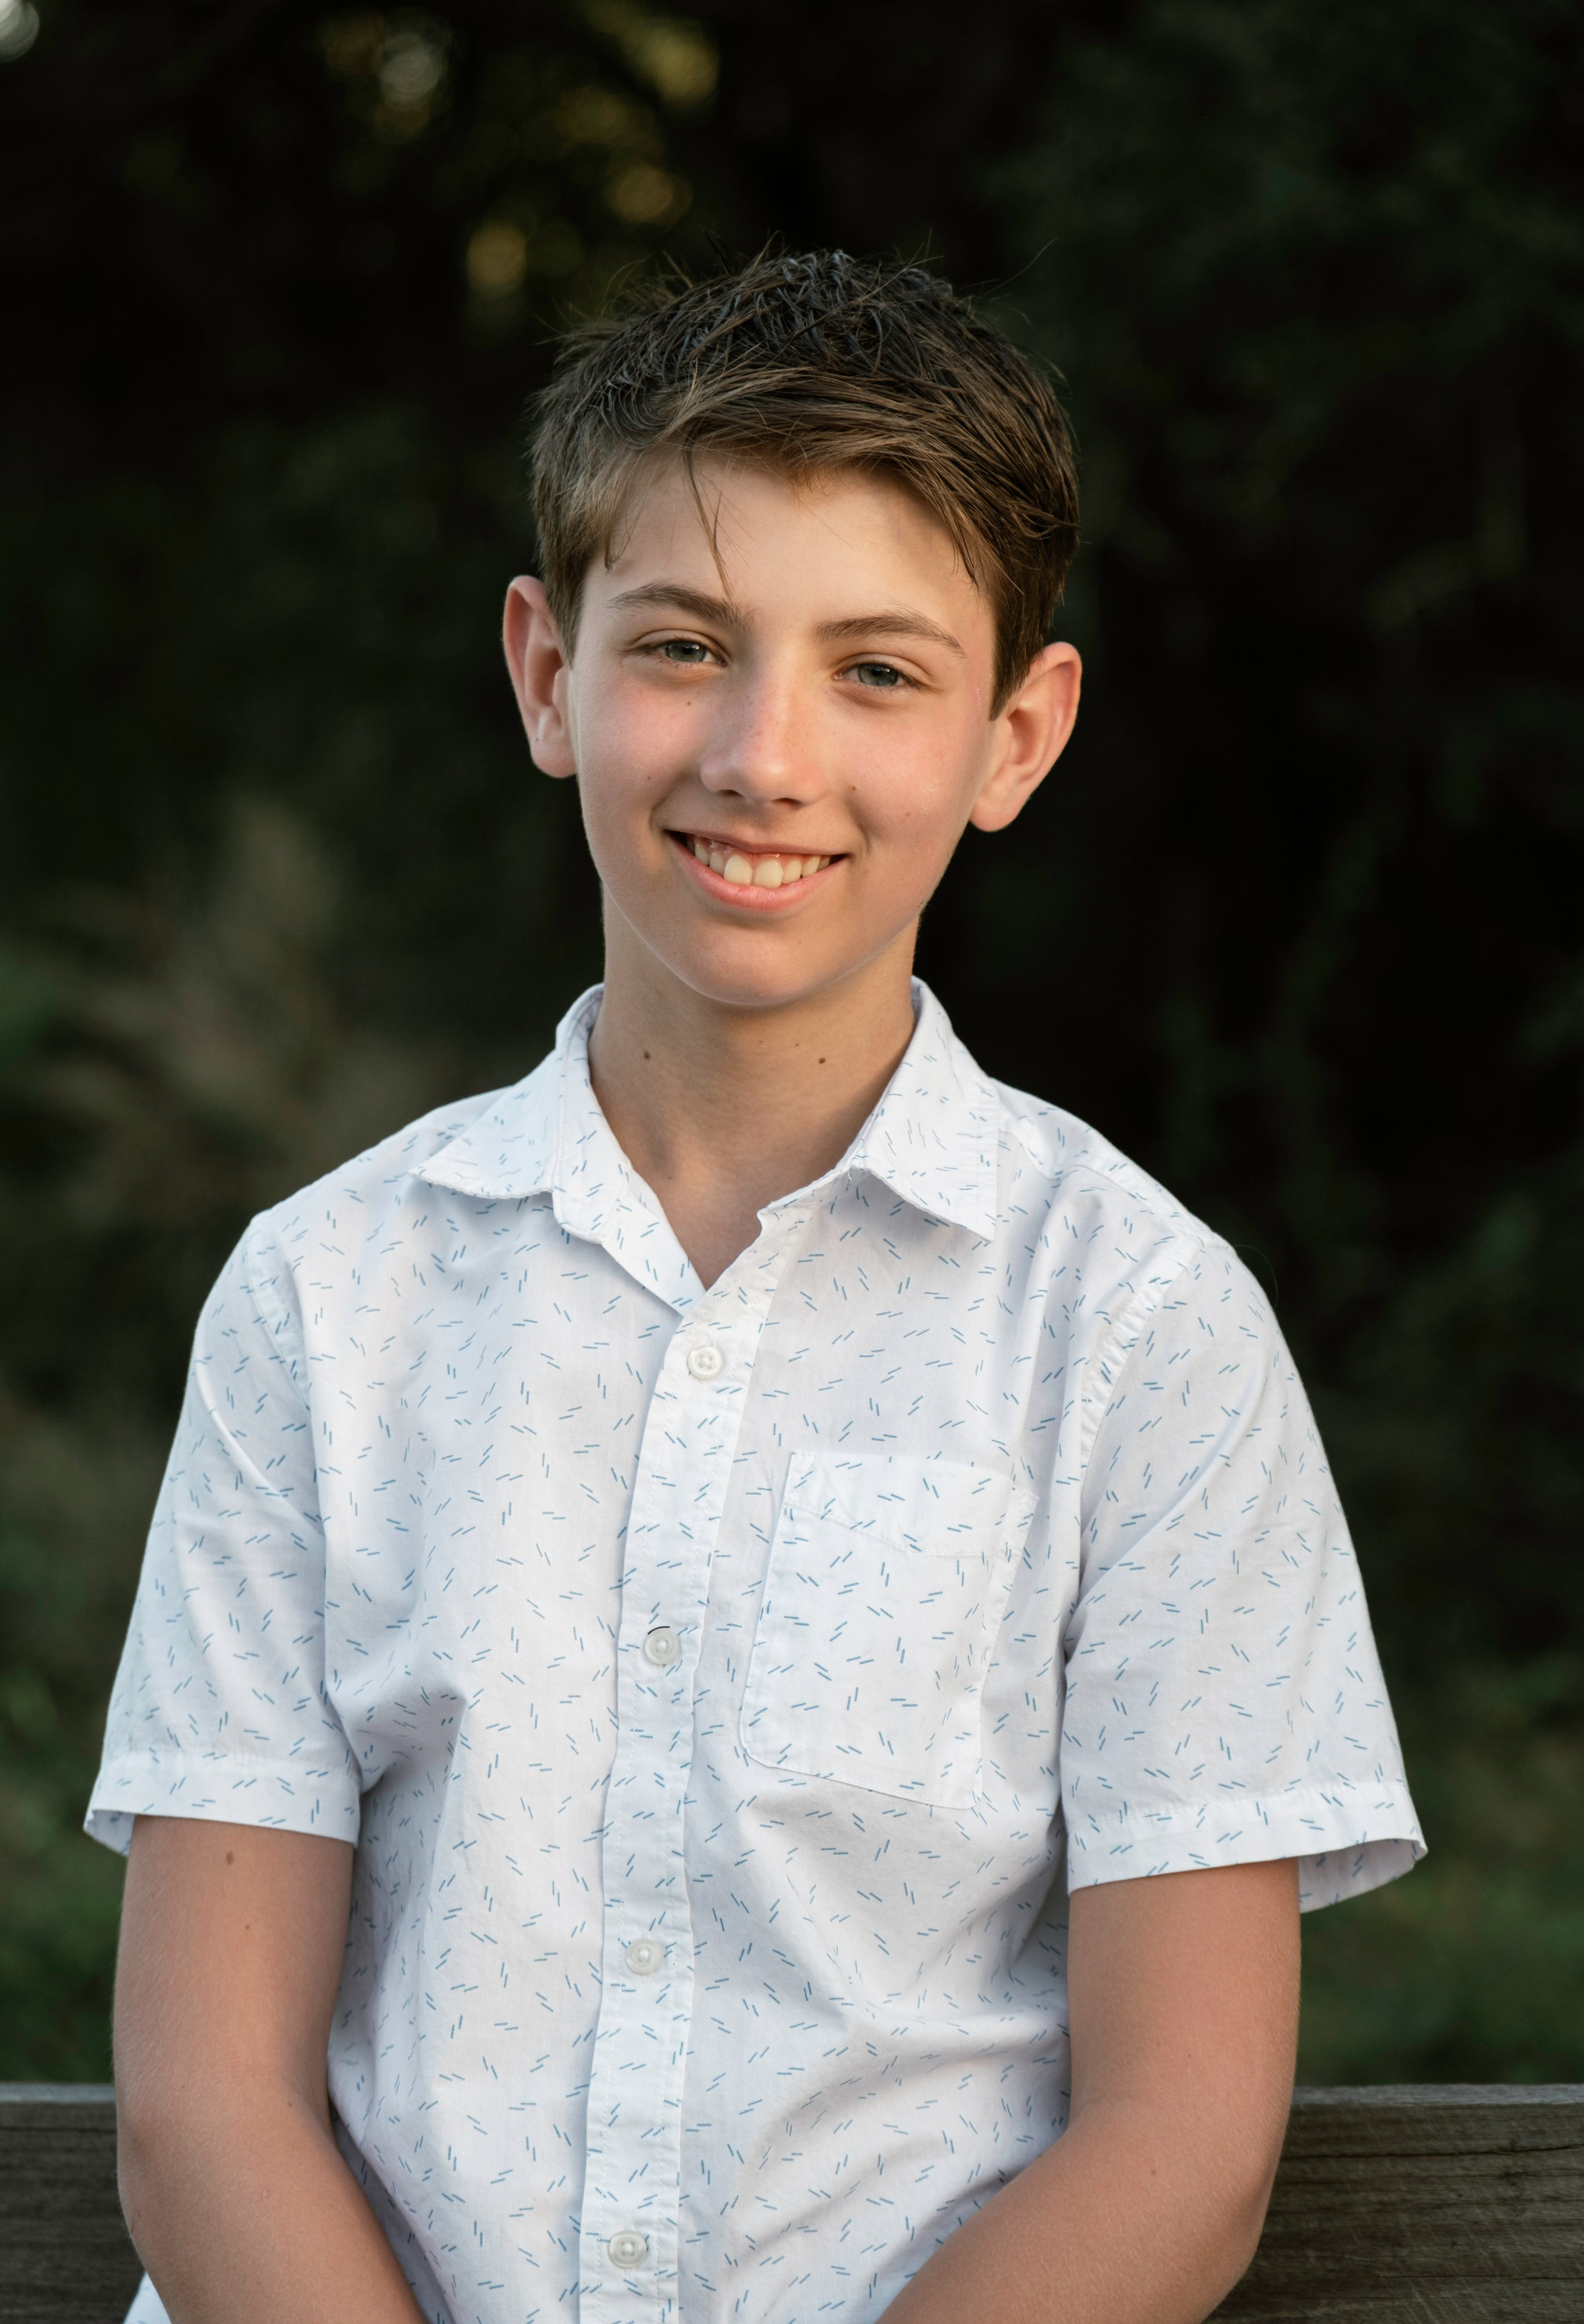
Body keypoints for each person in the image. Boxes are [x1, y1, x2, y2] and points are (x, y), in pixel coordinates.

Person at [92, 250, 1423, 2324]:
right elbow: (203, 2107)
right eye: (688, 645)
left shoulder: (1143, 1329)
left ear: (1016, 732)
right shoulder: (324, 1300)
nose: (762, 753)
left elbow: (1179, 2145)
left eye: (878, 672)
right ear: (547, 674)